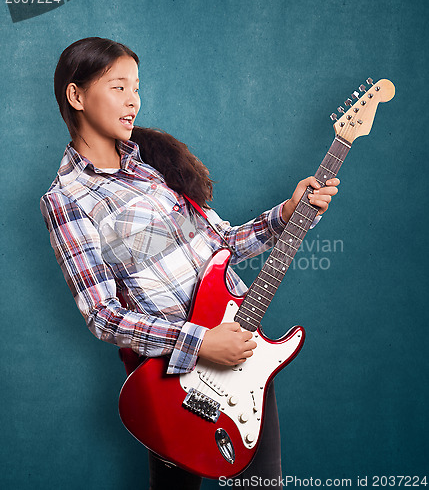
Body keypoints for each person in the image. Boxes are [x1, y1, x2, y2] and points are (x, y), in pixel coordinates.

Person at [40, 37, 340, 489]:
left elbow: (223, 243)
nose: (133, 100)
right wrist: (200, 342)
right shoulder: (67, 199)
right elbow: (103, 316)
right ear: (77, 95)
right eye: (118, 86)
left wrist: (289, 211)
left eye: (136, 87)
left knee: (262, 485)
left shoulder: (153, 166)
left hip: (241, 361)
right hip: (174, 382)